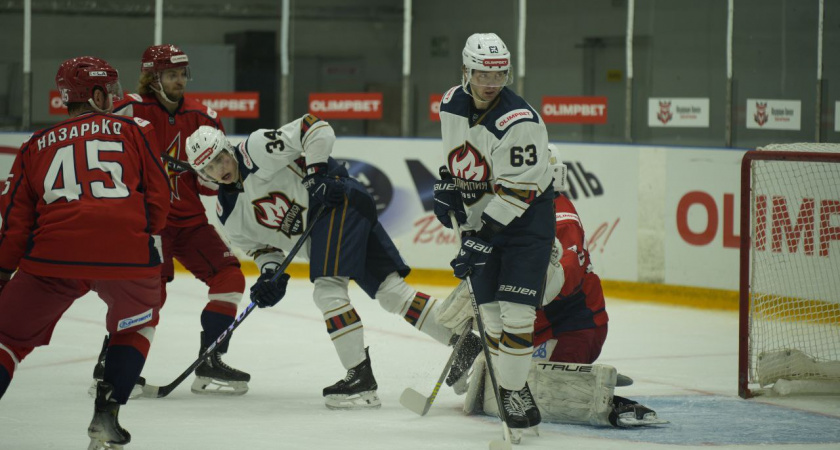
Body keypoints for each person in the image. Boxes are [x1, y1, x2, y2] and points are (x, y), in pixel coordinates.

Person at [184, 115, 474, 410]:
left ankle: (360, 378)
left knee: (327, 290)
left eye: (220, 158)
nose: (219, 169)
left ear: (228, 147)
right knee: (392, 293)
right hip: (330, 226)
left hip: (337, 204)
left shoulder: (256, 148)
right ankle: (465, 344)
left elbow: (314, 127)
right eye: (208, 168)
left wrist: (316, 175)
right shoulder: (228, 215)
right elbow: (262, 250)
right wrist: (271, 275)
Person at [0, 56, 170, 449]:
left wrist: (3, 272)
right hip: (127, 254)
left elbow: (15, 223)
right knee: (136, 325)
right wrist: (138, 232)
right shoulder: (137, 129)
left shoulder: (34, 144)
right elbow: (159, 199)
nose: (113, 96)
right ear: (95, 94)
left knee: (6, 336)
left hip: (53, 255)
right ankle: (107, 415)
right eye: (109, 90)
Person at [437, 146, 667, 428]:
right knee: (504, 380)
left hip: (575, 328)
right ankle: (489, 355)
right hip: (537, 327)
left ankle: (612, 404)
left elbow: (561, 285)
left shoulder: (561, 218)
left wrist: (524, 276)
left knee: (535, 393)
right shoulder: (514, 209)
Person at [89, 43, 250, 396]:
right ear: (152, 78)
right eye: (171, 74)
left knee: (230, 277)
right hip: (150, 224)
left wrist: (210, 177)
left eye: (182, 74)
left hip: (191, 223)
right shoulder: (130, 110)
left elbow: (209, 185)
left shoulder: (204, 117)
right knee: (149, 295)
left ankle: (210, 359)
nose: (180, 80)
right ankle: (109, 363)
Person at [434, 32, 556, 435]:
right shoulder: (451, 103)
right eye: (483, 74)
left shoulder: (519, 121)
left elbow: (519, 191)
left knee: (517, 315)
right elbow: (457, 155)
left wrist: (483, 236)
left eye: (499, 74)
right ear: (466, 71)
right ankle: (509, 381)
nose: (491, 83)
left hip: (525, 224)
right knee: (489, 318)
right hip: (481, 218)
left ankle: (514, 391)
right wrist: (448, 183)